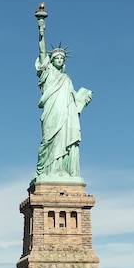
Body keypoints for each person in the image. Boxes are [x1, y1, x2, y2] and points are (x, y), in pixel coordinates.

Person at [35, 10, 92, 178]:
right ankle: (48, 170)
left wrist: (84, 99)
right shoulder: (48, 73)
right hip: (52, 112)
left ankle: (62, 170)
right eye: (56, 58)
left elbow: (75, 99)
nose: (59, 60)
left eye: (62, 58)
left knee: (64, 139)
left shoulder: (67, 79)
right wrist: (41, 31)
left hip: (66, 115)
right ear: (51, 61)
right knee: (49, 140)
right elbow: (42, 52)